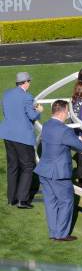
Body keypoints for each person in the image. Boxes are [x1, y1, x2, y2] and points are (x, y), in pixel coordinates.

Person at [35, 100, 82, 241]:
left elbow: (64, 139)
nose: (68, 113)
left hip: (44, 171)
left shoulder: (48, 124)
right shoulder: (65, 130)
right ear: (61, 112)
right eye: (67, 110)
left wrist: (78, 138)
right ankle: (61, 234)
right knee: (66, 202)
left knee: (50, 203)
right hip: (58, 173)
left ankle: (53, 233)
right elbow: (79, 146)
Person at [0, 72, 42, 208]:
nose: (29, 84)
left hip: (8, 134)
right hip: (22, 137)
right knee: (28, 166)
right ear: (26, 82)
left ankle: (11, 198)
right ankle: (22, 200)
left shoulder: (6, 94)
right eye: (29, 81)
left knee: (12, 166)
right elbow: (32, 116)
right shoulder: (27, 97)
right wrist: (39, 110)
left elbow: (8, 112)